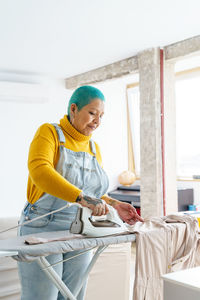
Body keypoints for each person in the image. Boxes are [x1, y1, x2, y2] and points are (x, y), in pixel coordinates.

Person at [18, 85, 143, 300]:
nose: (97, 121)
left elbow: (93, 193)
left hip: (80, 227)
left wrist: (114, 205)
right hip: (43, 224)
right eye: (92, 113)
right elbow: (40, 171)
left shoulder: (94, 149)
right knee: (42, 296)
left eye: (101, 116)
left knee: (72, 295)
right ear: (73, 109)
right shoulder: (49, 133)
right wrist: (82, 198)